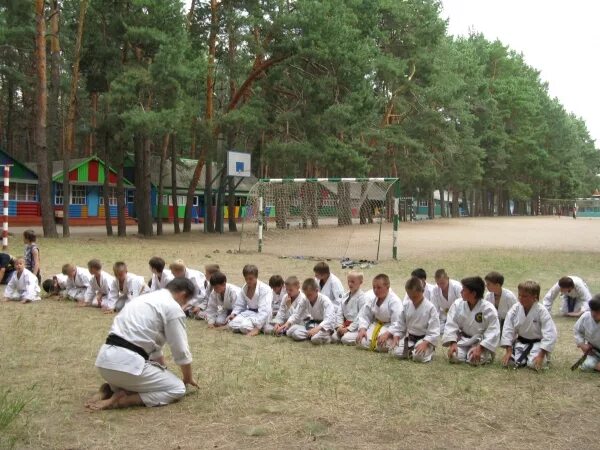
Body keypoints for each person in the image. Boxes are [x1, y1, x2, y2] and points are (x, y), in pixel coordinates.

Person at [86, 278, 199, 411]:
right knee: (177, 388)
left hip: (104, 364)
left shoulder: (142, 299)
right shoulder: (172, 307)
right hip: (128, 366)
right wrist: (187, 378)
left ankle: (109, 389)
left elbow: (155, 349)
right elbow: (181, 350)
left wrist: (162, 372)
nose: (183, 305)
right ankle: (124, 400)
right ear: (183, 295)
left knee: (135, 377)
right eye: (185, 302)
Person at [442, 276, 500, 365]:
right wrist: (453, 343)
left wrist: (481, 347)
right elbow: (451, 324)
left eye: (464, 290)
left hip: (480, 342)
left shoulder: (488, 309)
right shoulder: (458, 304)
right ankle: (466, 353)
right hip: (463, 340)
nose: (461, 292)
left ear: (473, 293)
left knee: (475, 360)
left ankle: (482, 353)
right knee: (454, 357)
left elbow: (493, 331)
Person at [500, 280, 557, 370]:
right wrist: (509, 350)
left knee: (534, 364)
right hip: (521, 342)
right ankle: (522, 356)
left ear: (534, 296)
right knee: (510, 363)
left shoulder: (541, 311)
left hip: (537, 343)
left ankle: (543, 356)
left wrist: (541, 355)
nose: (520, 298)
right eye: (519, 295)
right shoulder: (515, 309)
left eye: (525, 296)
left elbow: (549, 333)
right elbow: (508, 328)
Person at [344, 274, 402, 351]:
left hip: (389, 327)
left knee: (381, 346)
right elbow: (364, 316)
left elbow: (397, 323)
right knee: (361, 342)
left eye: (378, 287)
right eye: (374, 287)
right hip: (375, 324)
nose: (375, 290)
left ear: (387, 287)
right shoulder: (372, 299)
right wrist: (362, 329)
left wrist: (387, 334)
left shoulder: (395, 301)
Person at [391, 277, 440, 362]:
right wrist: (396, 336)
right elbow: (400, 324)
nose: (413, 299)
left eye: (415, 296)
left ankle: (429, 351)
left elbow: (434, 331)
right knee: (396, 352)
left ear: (422, 291)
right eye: (410, 296)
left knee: (418, 357)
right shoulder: (406, 305)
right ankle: (412, 350)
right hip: (410, 339)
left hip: (424, 339)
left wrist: (425, 343)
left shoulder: (430, 308)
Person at [285, 278, 336, 344]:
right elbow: (296, 314)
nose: (307, 297)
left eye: (310, 294)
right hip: (313, 324)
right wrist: (287, 323)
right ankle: (311, 334)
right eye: (306, 294)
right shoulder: (305, 299)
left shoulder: (325, 301)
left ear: (317, 290)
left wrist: (317, 329)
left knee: (315, 339)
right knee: (290, 332)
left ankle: (328, 337)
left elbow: (329, 319)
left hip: (325, 327)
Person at [227, 264, 272, 336]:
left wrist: (257, 328)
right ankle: (251, 325)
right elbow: (240, 305)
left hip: (262, 315)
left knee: (244, 327)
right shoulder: (244, 288)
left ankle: (260, 327)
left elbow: (265, 310)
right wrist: (234, 314)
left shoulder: (265, 289)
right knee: (232, 324)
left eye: (250, 278)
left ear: (256, 277)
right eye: (246, 279)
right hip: (250, 313)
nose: (248, 281)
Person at [331, 271, 367, 344]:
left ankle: (359, 338)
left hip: (356, 327)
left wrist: (348, 329)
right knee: (334, 337)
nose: (350, 284)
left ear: (360, 282)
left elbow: (361, 317)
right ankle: (344, 332)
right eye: (349, 281)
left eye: (353, 282)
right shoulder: (345, 295)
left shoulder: (362, 298)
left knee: (345, 339)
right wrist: (339, 326)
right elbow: (339, 313)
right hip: (345, 325)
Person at [573, 295, 600, 372]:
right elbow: (577, 331)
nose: (594, 314)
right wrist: (582, 345)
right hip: (594, 353)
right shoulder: (586, 317)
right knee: (587, 366)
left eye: (597, 311)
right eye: (592, 310)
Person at [430, 269, 462, 333]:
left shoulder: (457, 287)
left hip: (459, 316)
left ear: (447, 278)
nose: (440, 286)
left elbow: (464, 305)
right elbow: (435, 309)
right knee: (435, 329)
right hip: (445, 317)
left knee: (459, 329)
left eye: (442, 283)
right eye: (438, 283)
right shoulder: (435, 289)